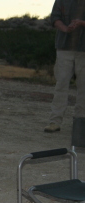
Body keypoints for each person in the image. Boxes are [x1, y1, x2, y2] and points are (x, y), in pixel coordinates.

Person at [44, 0, 85, 133]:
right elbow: (55, 18)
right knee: (61, 84)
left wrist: (81, 23)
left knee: (83, 86)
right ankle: (54, 121)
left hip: (83, 49)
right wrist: (65, 28)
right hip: (64, 47)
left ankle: (80, 122)